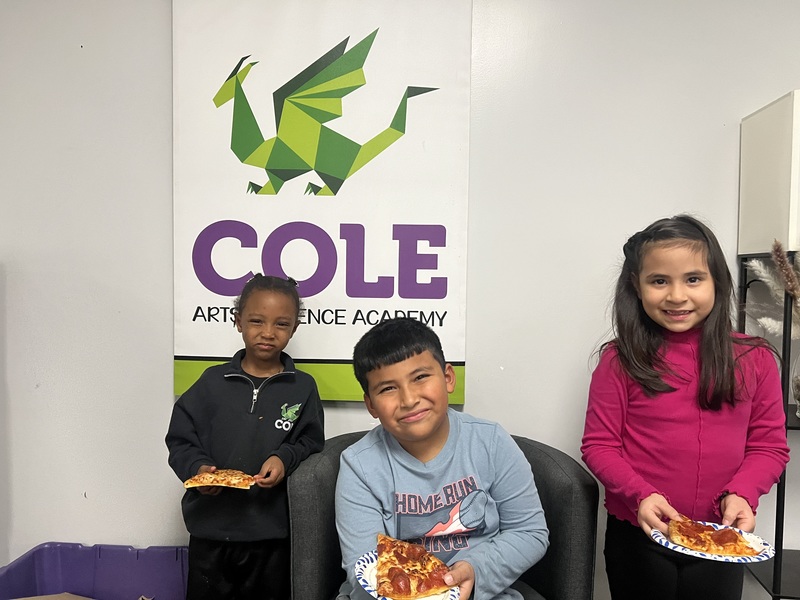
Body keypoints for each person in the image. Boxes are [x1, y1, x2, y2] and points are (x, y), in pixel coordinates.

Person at [581, 215, 790, 600]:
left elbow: (769, 447)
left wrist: (743, 493)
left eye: (693, 279)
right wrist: (640, 495)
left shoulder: (754, 359)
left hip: (722, 536)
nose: (677, 296)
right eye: (659, 281)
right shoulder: (619, 360)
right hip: (639, 533)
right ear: (637, 286)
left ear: (717, 282)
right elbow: (599, 446)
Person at [335, 317, 549, 600]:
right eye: (388, 388)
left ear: (448, 378)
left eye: (420, 377)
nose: (409, 399)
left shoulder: (491, 442)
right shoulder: (358, 466)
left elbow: (529, 531)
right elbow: (365, 565)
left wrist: (474, 569)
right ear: (371, 405)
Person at [166, 274, 325, 600]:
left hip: (272, 533)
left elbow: (310, 442)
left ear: (294, 329)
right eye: (256, 321)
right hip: (210, 530)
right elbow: (180, 439)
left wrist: (284, 458)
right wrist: (198, 469)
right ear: (237, 321)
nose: (268, 333)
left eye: (281, 324)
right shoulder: (211, 382)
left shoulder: (303, 387)